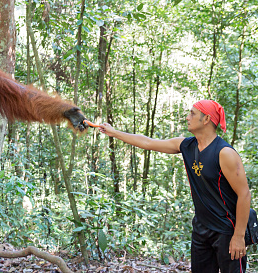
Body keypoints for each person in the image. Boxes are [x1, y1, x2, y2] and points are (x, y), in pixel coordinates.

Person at [98, 100, 251, 273]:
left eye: (192, 113)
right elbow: (148, 142)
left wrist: (238, 236)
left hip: (227, 230)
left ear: (206, 119)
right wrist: (113, 132)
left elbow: (244, 194)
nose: (187, 117)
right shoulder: (186, 145)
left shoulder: (225, 153)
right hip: (201, 229)